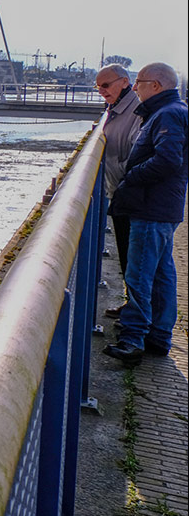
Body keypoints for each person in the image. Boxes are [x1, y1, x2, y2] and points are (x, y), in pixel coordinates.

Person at [103, 62, 188, 365]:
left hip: (151, 207)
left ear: (156, 85)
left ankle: (132, 339)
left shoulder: (167, 114)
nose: (134, 88)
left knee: (139, 275)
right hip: (162, 207)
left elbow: (167, 160)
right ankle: (159, 338)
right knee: (163, 276)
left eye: (138, 82)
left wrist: (131, 176)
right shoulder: (169, 111)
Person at [95, 64, 143, 317]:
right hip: (118, 192)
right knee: (128, 255)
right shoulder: (114, 109)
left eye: (106, 85)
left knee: (134, 258)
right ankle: (133, 308)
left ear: (124, 82)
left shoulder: (136, 111)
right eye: (98, 86)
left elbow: (138, 155)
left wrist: (123, 180)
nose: (101, 91)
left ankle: (136, 315)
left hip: (130, 194)